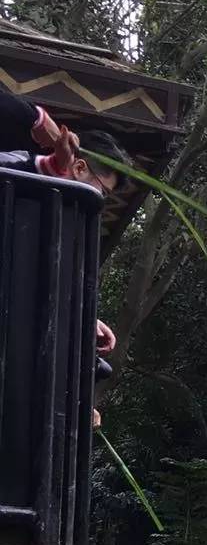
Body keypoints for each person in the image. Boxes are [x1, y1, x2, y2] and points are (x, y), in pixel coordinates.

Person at [0, 91, 129, 422]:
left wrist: (85, 319)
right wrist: (39, 121)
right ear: (80, 167)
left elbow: (41, 283)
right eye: (103, 190)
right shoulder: (17, 169)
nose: (101, 201)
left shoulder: (64, 224)